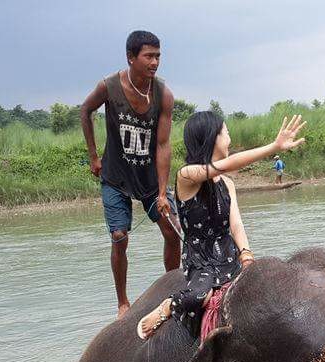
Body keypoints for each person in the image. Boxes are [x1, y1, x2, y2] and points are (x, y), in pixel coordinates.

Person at [137, 113, 306, 340]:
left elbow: (235, 224)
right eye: (225, 132)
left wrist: (246, 256)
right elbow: (227, 165)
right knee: (200, 296)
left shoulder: (228, 184)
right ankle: (169, 305)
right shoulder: (187, 176)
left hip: (229, 256)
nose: (229, 137)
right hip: (202, 260)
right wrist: (273, 147)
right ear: (210, 138)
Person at [81, 30, 182, 318]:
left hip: (149, 179)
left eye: (158, 56)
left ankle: (172, 289)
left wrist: (163, 193)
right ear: (131, 57)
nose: (155, 62)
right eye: (149, 56)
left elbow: (163, 144)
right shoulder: (109, 86)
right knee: (119, 236)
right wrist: (93, 155)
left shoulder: (163, 94)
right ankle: (122, 301)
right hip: (116, 176)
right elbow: (85, 111)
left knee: (172, 230)